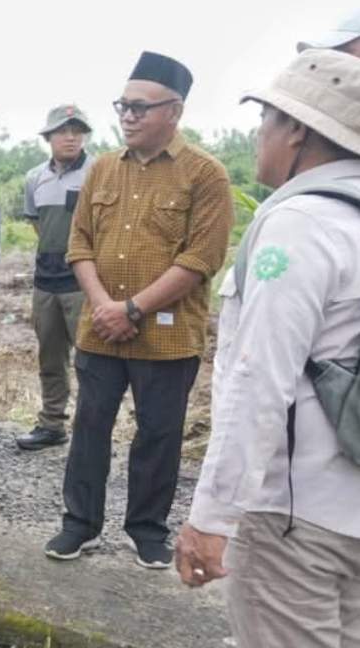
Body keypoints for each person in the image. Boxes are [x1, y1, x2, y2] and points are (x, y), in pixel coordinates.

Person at [176, 49, 360, 648]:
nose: (259, 135)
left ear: (297, 129)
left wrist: (212, 517)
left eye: (265, 120)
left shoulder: (301, 224)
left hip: (296, 518)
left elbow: (259, 381)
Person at [46, 51, 234, 569]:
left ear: (174, 111)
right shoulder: (103, 169)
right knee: (90, 427)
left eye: (140, 108)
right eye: (123, 106)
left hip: (167, 337)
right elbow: (80, 245)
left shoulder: (205, 174)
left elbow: (201, 258)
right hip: (100, 329)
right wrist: (105, 306)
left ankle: (147, 530)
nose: (127, 116)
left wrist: (132, 309)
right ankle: (79, 524)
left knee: (158, 435)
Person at [15, 105, 94, 451]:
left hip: (83, 282)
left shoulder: (98, 172)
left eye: (77, 131)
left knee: (90, 359)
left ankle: (91, 430)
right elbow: (38, 225)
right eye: (63, 131)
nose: (71, 137)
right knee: (50, 356)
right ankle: (51, 423)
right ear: (48, 137)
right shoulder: (35, 178)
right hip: (46, 280)